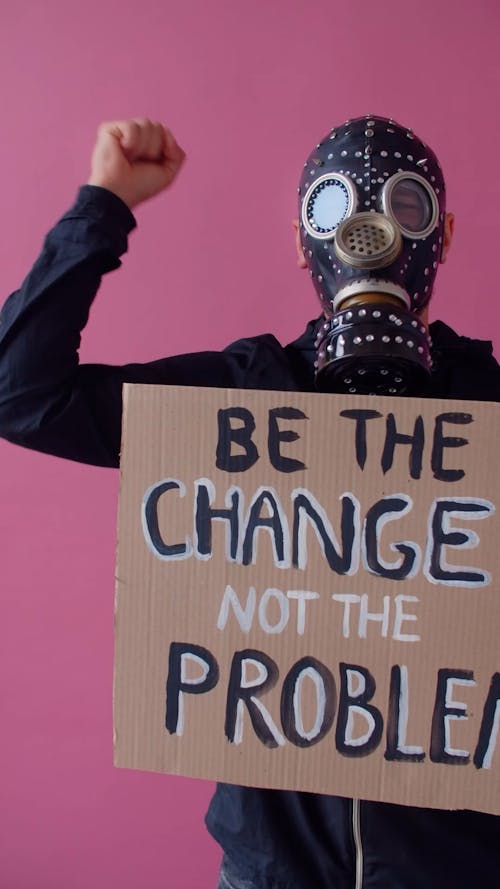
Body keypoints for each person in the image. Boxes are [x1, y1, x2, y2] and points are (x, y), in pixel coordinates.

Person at [0, 115, 498, 888]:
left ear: (445, 233)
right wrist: (104, 203)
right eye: (336, 212)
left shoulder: (489, 408)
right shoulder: (242, 402)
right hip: (275, 870)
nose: (370, 237)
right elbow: (20, 392)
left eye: (405, 209)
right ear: (305, 241)